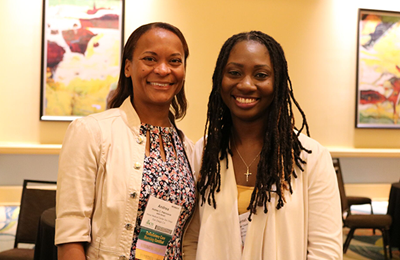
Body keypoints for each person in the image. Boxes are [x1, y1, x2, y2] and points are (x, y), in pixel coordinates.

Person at [184, 31, 342, 259]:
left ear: (277, 82)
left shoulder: (311, 158)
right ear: (220, 79)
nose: (246, 84)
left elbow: (325, 251)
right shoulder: (204, 153)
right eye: (234, 73)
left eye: (260, 75)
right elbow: (191, 239)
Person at [55, 22, 196, 260]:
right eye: (150, 59)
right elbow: (71, 237)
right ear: (128, 67)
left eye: (174, 61)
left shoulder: (189, 149)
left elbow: (190, 239)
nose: (163, 70)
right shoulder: (91, 132)